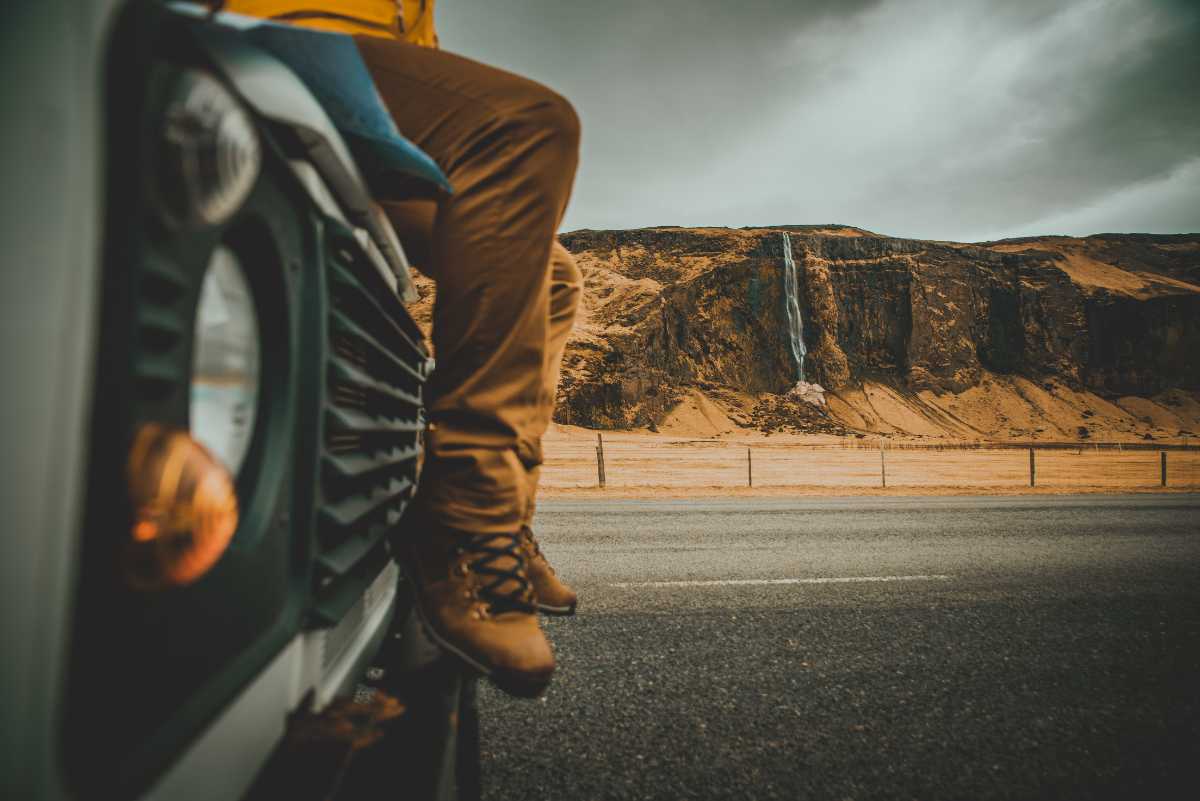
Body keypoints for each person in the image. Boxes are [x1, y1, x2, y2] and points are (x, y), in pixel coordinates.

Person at [223, 0, 582, 698]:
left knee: (558, 276)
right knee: (526, 126)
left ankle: (505, 520)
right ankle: (464, 515)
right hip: (273, 38)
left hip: (360, 106)